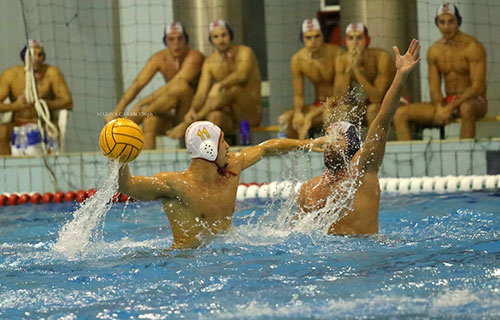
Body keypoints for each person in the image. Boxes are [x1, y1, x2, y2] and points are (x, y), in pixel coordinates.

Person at [118, 121, 326, 249]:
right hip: (184, 263)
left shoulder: (231, 170)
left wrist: (307, 144)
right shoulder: (174, 185)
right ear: (208, 149)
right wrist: (119, 159)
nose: (228, 147)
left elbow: (266, 149)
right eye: (223, 142)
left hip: (225, 252)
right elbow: (127, 186)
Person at [296, 39, 420, 234]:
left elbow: (382, 120)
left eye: (337, 138)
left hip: (366, 254)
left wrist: (400, 76)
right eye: (328, 137)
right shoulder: (309, 189)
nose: (329, 142)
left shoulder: (362, 173)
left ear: (352, 146)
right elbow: (294, 236)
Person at [394, 3, 487, 140]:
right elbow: (434, 88)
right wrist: (439, 107)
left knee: (466, 108)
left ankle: (466, 159)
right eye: (442, 22)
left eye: (450, 21)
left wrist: (449, 108)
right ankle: (409, 160)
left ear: (458, 21)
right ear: (437, 23)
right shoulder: (435, 51)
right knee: (400, 114)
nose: (446, 27)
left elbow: (478, 87)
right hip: (447, 102)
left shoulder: (473, 47)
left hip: (473, 101)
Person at [105, 22, 204, 149]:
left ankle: (133, 121)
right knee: (150, 121)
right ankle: (147, 165)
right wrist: (118, 110)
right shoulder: (159, 58)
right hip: (173, 113)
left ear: (186, 39)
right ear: (165, 41)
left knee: (180, 87)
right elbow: (138, 84)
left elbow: (177, 83)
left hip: (194, 113)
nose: (176, 43)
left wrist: (140, 105)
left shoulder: (194, 56)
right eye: (171, 39)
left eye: (180, 38)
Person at [167, 19, 262, 139]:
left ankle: (187, 125)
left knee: (233, 89)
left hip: (250, 113)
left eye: (224, 35)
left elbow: (241, 75)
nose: (221, 40)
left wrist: (219, 85)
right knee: (214, 117)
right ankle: (212, 155)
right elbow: (201, 93)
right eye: (216, 37)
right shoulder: (210, 62)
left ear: (230, 35)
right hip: (230, 116)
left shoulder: (244, 52)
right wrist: (192, 109)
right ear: (211, 40)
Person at [0, 40, 73, 155]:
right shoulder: (10, 75)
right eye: (32, 54)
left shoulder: (52, 73)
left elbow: (68, 102)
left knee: (52, 132)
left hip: (43, 122)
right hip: (18, 122)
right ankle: (7, 168)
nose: (36, 58)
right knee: (1, 133)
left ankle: (51, 169)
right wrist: (15, 106)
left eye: (40, 54)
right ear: (24, 57)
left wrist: (43, 102)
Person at [278, 18, 344, 139]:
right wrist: (298, 112)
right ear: (302, 38)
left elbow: (339, 96)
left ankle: (334, 153)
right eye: (308, 38)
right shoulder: (298, 60)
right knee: (287, 119)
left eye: (317, 36)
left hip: (338, 105)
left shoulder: (336, 54)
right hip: (318, 105)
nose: (313, 41)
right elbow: (298, 95)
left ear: (323, 36)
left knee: (328, 115)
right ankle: (297, 154)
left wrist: (309, 116)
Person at [330, 23, 396, 127]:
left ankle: (377, 143)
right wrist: (348, 70)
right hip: (368, 104)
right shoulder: (341, 60)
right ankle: (342, 143)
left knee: (373, 110)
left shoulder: (382, 58)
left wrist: (356, 71)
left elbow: (377, 98)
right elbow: (339, 99)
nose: (355, 43)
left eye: (359, 38)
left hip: (394, 100)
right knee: (340, 111)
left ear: (367, 41)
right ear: (346, 42)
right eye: (351, 38)